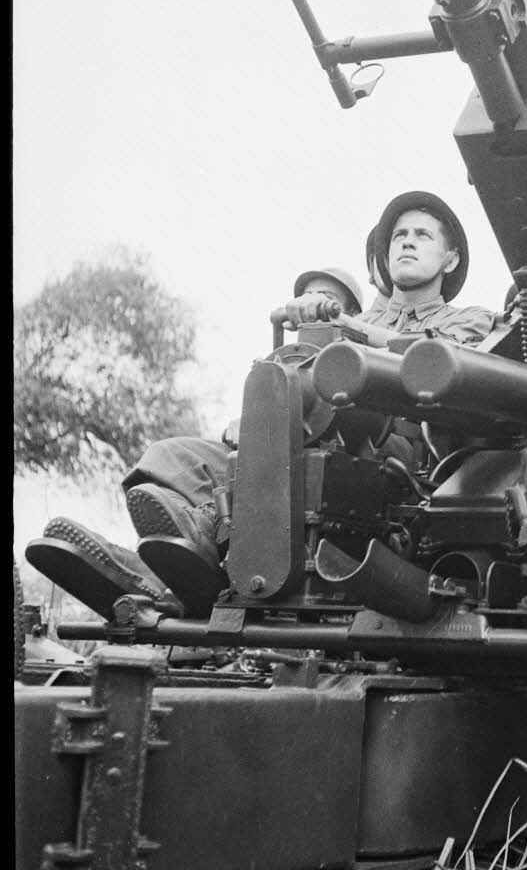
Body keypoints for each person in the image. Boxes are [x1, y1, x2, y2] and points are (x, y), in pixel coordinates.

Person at [27, 190, 493, 619]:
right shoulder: (357, 316)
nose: (406, 244)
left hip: (397, 455)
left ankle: (197, 544)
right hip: (309, 437)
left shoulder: (471, 319)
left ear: (450, 259)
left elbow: (437, 361)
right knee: (173, 456)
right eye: (398, 235)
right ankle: (156, 573)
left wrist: (347, 326)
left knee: (323, 422)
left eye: (422, 235)